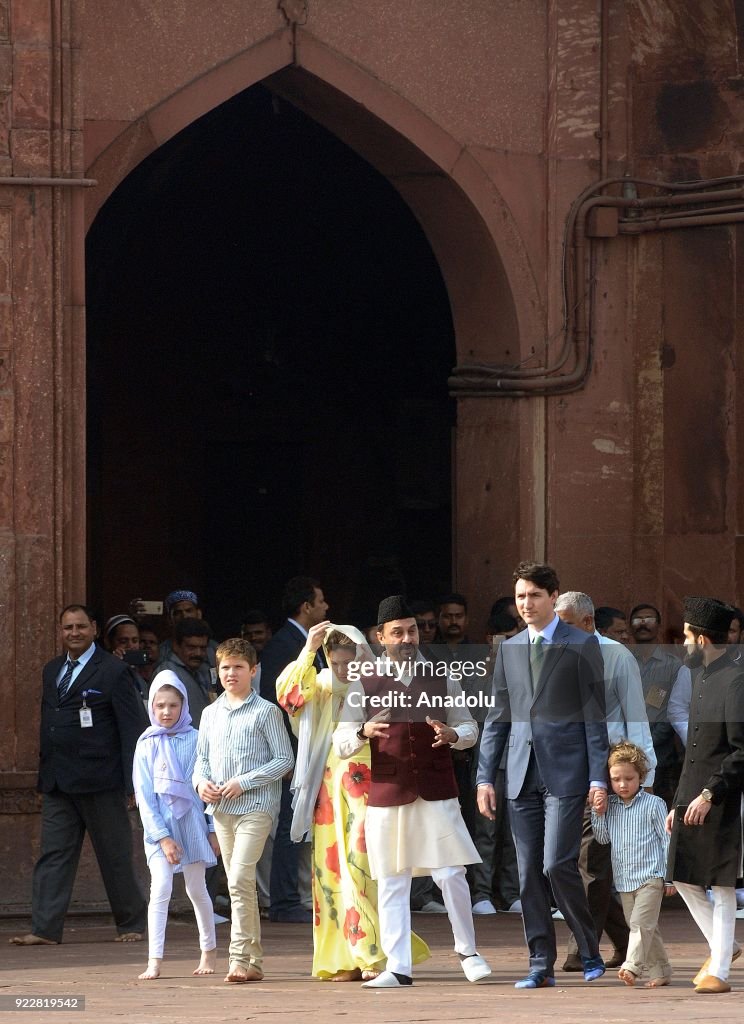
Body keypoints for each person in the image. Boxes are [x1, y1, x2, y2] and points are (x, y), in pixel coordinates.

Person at [334, 595, 492, 989]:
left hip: (437, 790)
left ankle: (468, 952)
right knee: (391, 879)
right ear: (380, 637)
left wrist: (454, 735)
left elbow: (469, 728)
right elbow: (339, 740)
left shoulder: (442, 675)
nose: (407, 638)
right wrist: (362, 732)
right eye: (398, 632)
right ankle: (399, 966)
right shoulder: (364, 681)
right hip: (388, 790)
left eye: (413, 630)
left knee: (451, 873)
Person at [476, 562, 609, 989]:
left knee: (557, 864)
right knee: (529, 871)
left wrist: (597, 778)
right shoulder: (511, 648)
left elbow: (595, 717)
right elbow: (498, 716)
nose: (526, 604)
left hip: (567, 773)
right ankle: (539, 962)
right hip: (519, 774)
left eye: (534, 595)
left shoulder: (582, 643)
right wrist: (483, 778)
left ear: (554, 596)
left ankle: (589, 949)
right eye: (520, 597)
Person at [276, 621, 429, 980]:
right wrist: (308, 649)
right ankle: (342, 957)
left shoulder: (376, 682)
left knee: (363, 863)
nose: (345, 669)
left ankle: (373, 953)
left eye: (351, 661)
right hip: (330, 782)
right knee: (330, 871)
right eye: (337, 662)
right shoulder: (323, 683)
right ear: (328, 657)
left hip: (371, 776)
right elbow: (288, 696)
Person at [11, 604, 147, 946]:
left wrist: (135, 782)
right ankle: (44, 930)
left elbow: (133, 730)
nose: (74, 633)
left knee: (114, 855)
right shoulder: (52, 669)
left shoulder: (114, 671)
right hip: (58, 780)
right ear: (61, 631)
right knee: (53, 855)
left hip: (101, 780)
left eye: (81, 627)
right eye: (68, 627)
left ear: (95, 629)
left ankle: (131, 924)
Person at [555, 591, 656, 972]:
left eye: (563, 623)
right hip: (566, 769)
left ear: (586, 622)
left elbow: (636, 715)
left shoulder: (616, 655)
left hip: (610, 772)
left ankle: (581, 948)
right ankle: (626, 938)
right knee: (577, 860)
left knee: (591, 859)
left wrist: (644, 777)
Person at [194, 638, 293, 983]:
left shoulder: (266, 711)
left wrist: (245, 782)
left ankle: (238, 957)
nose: (231, 673)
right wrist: (200, 783)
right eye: (225, 667)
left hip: (257, 805)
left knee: (237, 878)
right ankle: (255, 962)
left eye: (238, 667)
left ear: (253, 671)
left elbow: (284, 760)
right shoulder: (209, 713)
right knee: (242, 882)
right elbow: (201, 759)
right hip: (221, 807)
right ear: (216, 671)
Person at [666, 597, 744, 994]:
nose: (683, 645)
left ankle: (721, 972)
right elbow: (694, 749)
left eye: (685, 637)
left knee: (722, 883)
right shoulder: (701, 676)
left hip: (723, 796)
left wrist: (711, 793)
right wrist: (680, 801)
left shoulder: (736, 679)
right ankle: (724, 947)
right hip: (692, 796)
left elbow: (740, 749)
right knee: (682, 877)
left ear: (702, 639)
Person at [133, 672, 220, 980]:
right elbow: (145, 797)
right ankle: (154, 961)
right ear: (151, 707)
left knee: (197, 889)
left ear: (183, 705)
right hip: (160, 830)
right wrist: (163, 838)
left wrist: (211, 830)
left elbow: (209, 785)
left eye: (173, 705)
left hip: (193, 823)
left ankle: (208, 952)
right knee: (161, 890)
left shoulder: (197, 739)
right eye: (160, 705)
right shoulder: (145, 745)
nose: (166, 712)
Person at [259, 575, 329, 923]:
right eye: (321, 601)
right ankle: (284, 902)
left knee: (300, 825)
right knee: (290, 826)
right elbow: (278, 703)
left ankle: (296, 898)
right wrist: (283, 754)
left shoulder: (308, 644)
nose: (326, 607)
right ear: (307, 607)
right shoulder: (283, 645)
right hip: (292, 753)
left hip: (311, 749)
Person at [591, 741, 672, 988]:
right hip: (625, 879)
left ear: (641, 777)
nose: (623, 784)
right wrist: (599, 812)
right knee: (646, 927)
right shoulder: (611, 807)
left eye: (629, 778)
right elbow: (602, 838)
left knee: (639, 924)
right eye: (616, 779)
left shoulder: (654, 804)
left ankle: (632, 966)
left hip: (652, 876)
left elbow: (667, 840)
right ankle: (661, 970)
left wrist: (669, 876)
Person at [629, 603, 691, 807]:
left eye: (649, 618)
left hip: (661, 756)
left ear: (659, 625)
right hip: (624, 755)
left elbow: (672, 710)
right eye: (638, 619)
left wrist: (647, 743)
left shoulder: (673, 665)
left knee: (661, 809)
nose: (643, 623)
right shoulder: (624, 660)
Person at [157, 617, 215, 726]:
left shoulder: (203, 670)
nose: (198, 653)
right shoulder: (167, 673)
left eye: (202, 648)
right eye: (191, 647)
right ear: (176, 646)